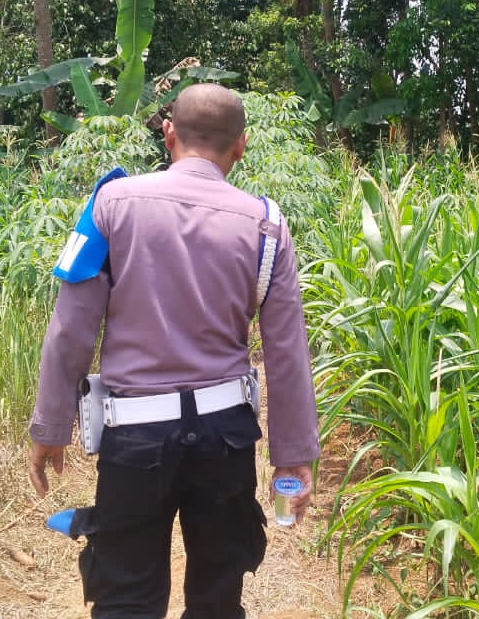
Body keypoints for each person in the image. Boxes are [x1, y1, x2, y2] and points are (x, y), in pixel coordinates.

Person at [26, 83, 321, 619]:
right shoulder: (267, 226)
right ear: (241, 146)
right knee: (217, 598)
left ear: (168, 135)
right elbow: (287, 353)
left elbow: (71, 329)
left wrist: (50, 427)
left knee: (126, 598)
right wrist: (293, 455)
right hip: (227, 440)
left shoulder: (111, 204)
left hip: (135, 438)